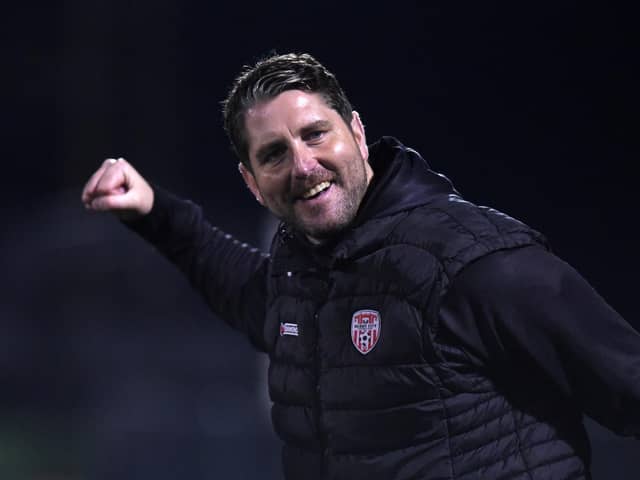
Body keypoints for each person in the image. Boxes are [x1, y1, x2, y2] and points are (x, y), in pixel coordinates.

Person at [81, 53, 640, 480]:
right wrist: (156, 213)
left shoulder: (478, 260)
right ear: (252, 184)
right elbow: (244, 287)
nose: (302, 164)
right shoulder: (302, 275)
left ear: (358, 133)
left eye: (315, 133)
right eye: (273, 154)